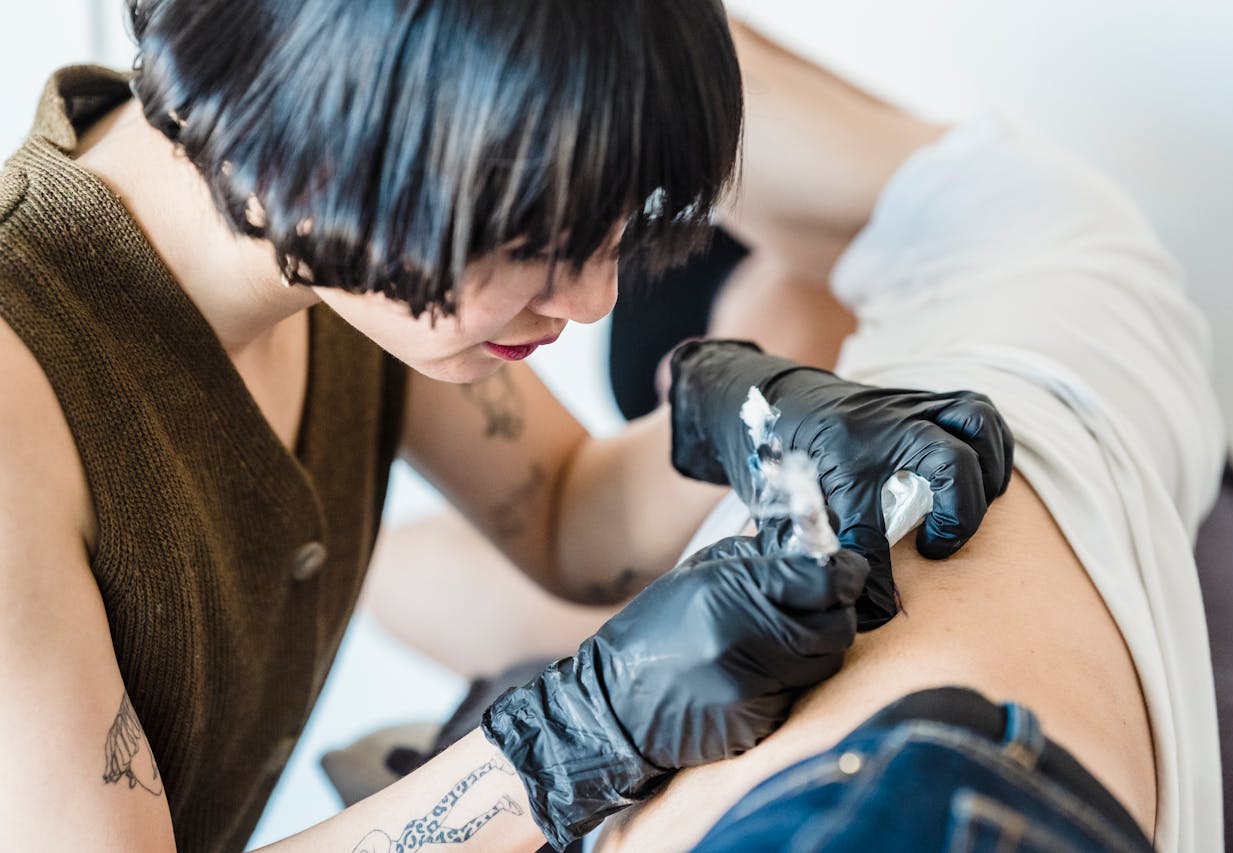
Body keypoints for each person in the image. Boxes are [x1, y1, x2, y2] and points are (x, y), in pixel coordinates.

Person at [0, 2, 1016, 851]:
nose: (593, 298)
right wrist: (571, 737)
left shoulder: (336, 242)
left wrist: (752, 414)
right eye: (537, 238)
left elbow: (566, 513)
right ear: (323, 159)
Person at [369, 20, 1225, 853]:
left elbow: (646, 48)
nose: (596, 298)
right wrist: (579, 724)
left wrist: (721, 413)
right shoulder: (1065, 284)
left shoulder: (1031, 260)